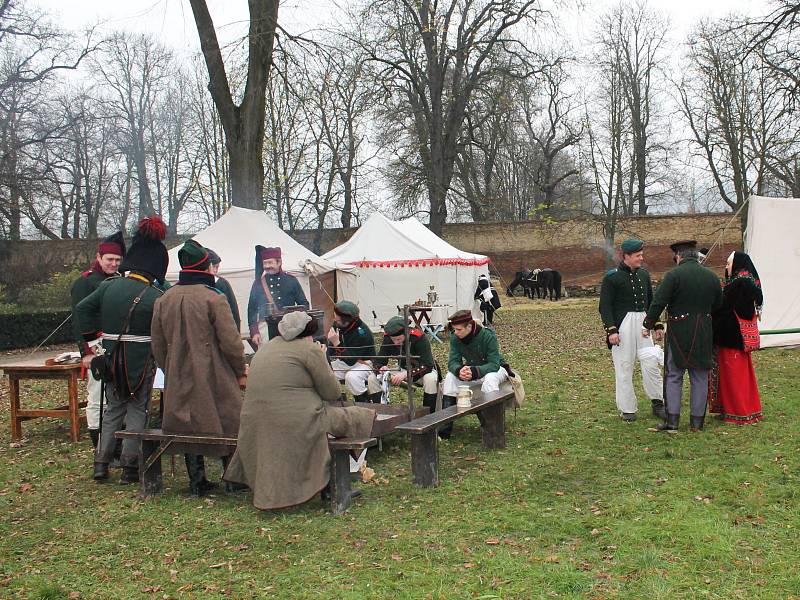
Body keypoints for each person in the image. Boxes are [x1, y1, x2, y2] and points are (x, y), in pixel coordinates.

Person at [223, 311, 376, 510]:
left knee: (320, 419)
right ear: (310, 331)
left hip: (257, 422)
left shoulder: (263, 349)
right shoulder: (309, 349)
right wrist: (321, 358)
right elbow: (332, 392)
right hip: (298, 421)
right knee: (358, 415)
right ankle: (334, 486)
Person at [75, 216, 169, 483]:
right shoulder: (155, 296)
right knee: (139, 409)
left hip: (111, 356)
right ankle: (129, 468)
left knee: (113, 409)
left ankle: (101, 464)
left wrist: (94, 343)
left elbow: (82, 310)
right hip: (141, 359)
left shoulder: (109, 286)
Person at [150, 240, 248, 496]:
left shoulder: (164, 299)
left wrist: (170, 368)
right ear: (205, 266)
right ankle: (233, 479)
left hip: (177, 372)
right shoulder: (214, 298)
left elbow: (157, 345)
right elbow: (231, 341)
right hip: (214, 371)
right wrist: (239, 370)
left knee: (187, 422)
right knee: (229, 419)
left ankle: (197, 481)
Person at [643, 240, 723, 432]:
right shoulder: (711, 277)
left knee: (673, 375)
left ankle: (672, 422)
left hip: (679, 331)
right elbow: (719, 304)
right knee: (700, 376)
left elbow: (659, 301)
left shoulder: (673, 275)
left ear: (679, 257)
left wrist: (648, 323)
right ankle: (697, 423)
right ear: (695, 255)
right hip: (704, 330)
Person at [598, 238, 665, 422]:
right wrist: (612, 330)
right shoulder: (612, 278)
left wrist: (657, 324)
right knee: (624, 367)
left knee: (651, 363)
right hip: (623, 327)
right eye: (638, 255)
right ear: (626, 256)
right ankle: (627, 408)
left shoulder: (644, 275)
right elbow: (605, 307)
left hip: (644, 325)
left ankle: (658, 403)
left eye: (641, 254)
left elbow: (651, 303)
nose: (641, 258)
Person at [70, 231, 125, 448]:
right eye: (110, 259)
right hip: (96, 345)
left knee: (117, 392)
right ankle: (100, 445)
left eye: (117, 260)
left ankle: (116, 441)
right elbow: (78, 318)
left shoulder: (120, 280)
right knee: (97, 394)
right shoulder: (85, 282)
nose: (113, 263)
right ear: (99, 257)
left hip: (117, 343)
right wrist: (86, 352)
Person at [710, 251, 764, 424]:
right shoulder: (745, 281)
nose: (726, 267)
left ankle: (739, 411)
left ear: (738, 263)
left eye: (728, 263)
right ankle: (742, 409)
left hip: (731, 337)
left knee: (735, 376)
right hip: (734, 338)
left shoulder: (740, 283)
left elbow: (726, 308)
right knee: (737, 375)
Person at [440, 309, 509, 438]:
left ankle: (493, 427)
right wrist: (459, 370)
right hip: (473, 370)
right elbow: (453, 362)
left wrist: (474, 371)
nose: (455, 332)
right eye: (454, 329)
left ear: (470, 326)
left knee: (490, 380)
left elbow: (494, 363)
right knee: (450, 378)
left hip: (495, 369)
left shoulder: (488, 335)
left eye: (459, 329)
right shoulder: (455, 338)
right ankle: (444, 431)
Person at [368, 315, 439, 409]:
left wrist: (407, 374)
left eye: (399, 339)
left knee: (431, 379)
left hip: (422, 372)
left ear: (407, 333)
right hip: (402, 370)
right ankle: (382, 412)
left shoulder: (419, 338)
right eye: (394, 340)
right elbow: (379, 361)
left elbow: (428, 365)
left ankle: (429, 415)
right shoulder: (388, 338)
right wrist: (381, 368)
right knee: (372, 378)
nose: (396, 342)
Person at [247, 245, 309, 347]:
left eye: (270, 262)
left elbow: (304, 304)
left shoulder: (291, 280)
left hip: (289, 327)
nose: (267, 266)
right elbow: (252, 309)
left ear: (279, 262)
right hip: (266, 328)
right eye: (265, 263)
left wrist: (298, 323)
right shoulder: (258, 283)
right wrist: (254, 332)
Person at [327, 301, 376, 401]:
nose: (335, 318)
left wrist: (336, 343)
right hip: (346, 360)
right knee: (325, 372)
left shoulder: (362, 333)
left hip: (364, 363)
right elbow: (332, 350)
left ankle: (364, 401)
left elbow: (351, 361)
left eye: (337, 317)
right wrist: (324, 351)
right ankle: (337, 400)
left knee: (352, 377)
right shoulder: (342, 325)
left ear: (346, 320)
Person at [206, 247, 241, 333]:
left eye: (217, 267)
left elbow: (233, 312)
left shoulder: (221, 283)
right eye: (213, 267)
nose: (215, 270)